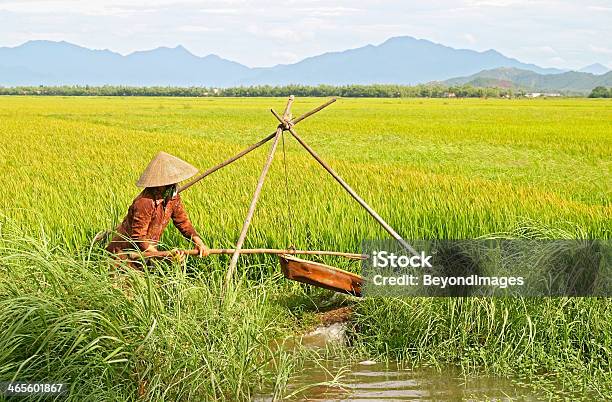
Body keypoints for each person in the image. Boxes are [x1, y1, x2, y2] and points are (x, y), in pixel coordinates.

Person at [106, 151, 207, 263]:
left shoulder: (172, 197)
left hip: (146, 254)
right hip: (125, 256)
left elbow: (182, 222)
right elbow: (139, 238)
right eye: (171, 181)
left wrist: (198, 242)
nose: (175, 184)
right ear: (160, 183)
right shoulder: (145, 202)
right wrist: (163, 256)